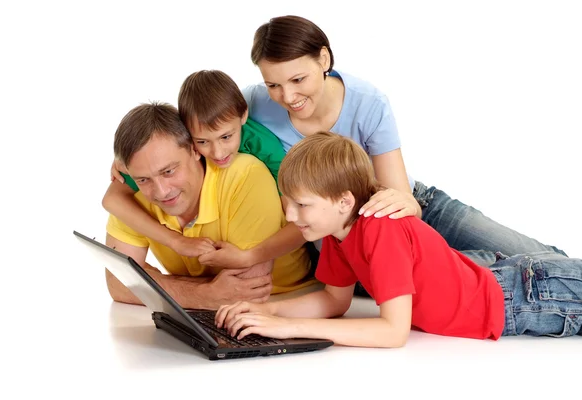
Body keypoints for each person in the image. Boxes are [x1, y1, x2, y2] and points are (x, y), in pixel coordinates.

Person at [233, 14, 567, 272]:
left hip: (407, 204)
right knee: (509, 273)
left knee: (537, 254)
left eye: (297, 79)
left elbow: (400, 198)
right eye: (273, 84)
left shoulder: (368, 102)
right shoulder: (255, 103)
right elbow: (207, 123)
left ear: (323, 60)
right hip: (343, 236)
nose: (287, 96)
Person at [214, 132, 582, 347]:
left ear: (344, 201)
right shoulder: (338, 234)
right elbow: (332, 301)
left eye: (301, 205)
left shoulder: (378, 228)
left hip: (526, 297)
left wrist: (290, 328)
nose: (290, 216)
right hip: (507, 280)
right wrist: (267, 312)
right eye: (286, 203)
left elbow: (393, 331)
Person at [105, 70, 391, 272]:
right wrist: (127, 161)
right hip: (330, 243)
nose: (217, 153)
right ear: (190, 140)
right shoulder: (174, 148)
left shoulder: (265, 152)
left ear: (243, 118)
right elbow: (113, 197)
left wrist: (247, 258)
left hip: (351, 219)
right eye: (202, 142)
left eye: (227, 137)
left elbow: (297, 223)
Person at [104, 101, 314, 310]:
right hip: (202, 314)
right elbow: (118, 284)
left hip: (285, 302)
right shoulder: (132, 193)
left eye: (169, 171)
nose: (161, 191)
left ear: (195, 150)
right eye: (143, 179)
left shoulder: (245, 175)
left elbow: (246, 290)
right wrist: (203, 294)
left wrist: (157, 284)